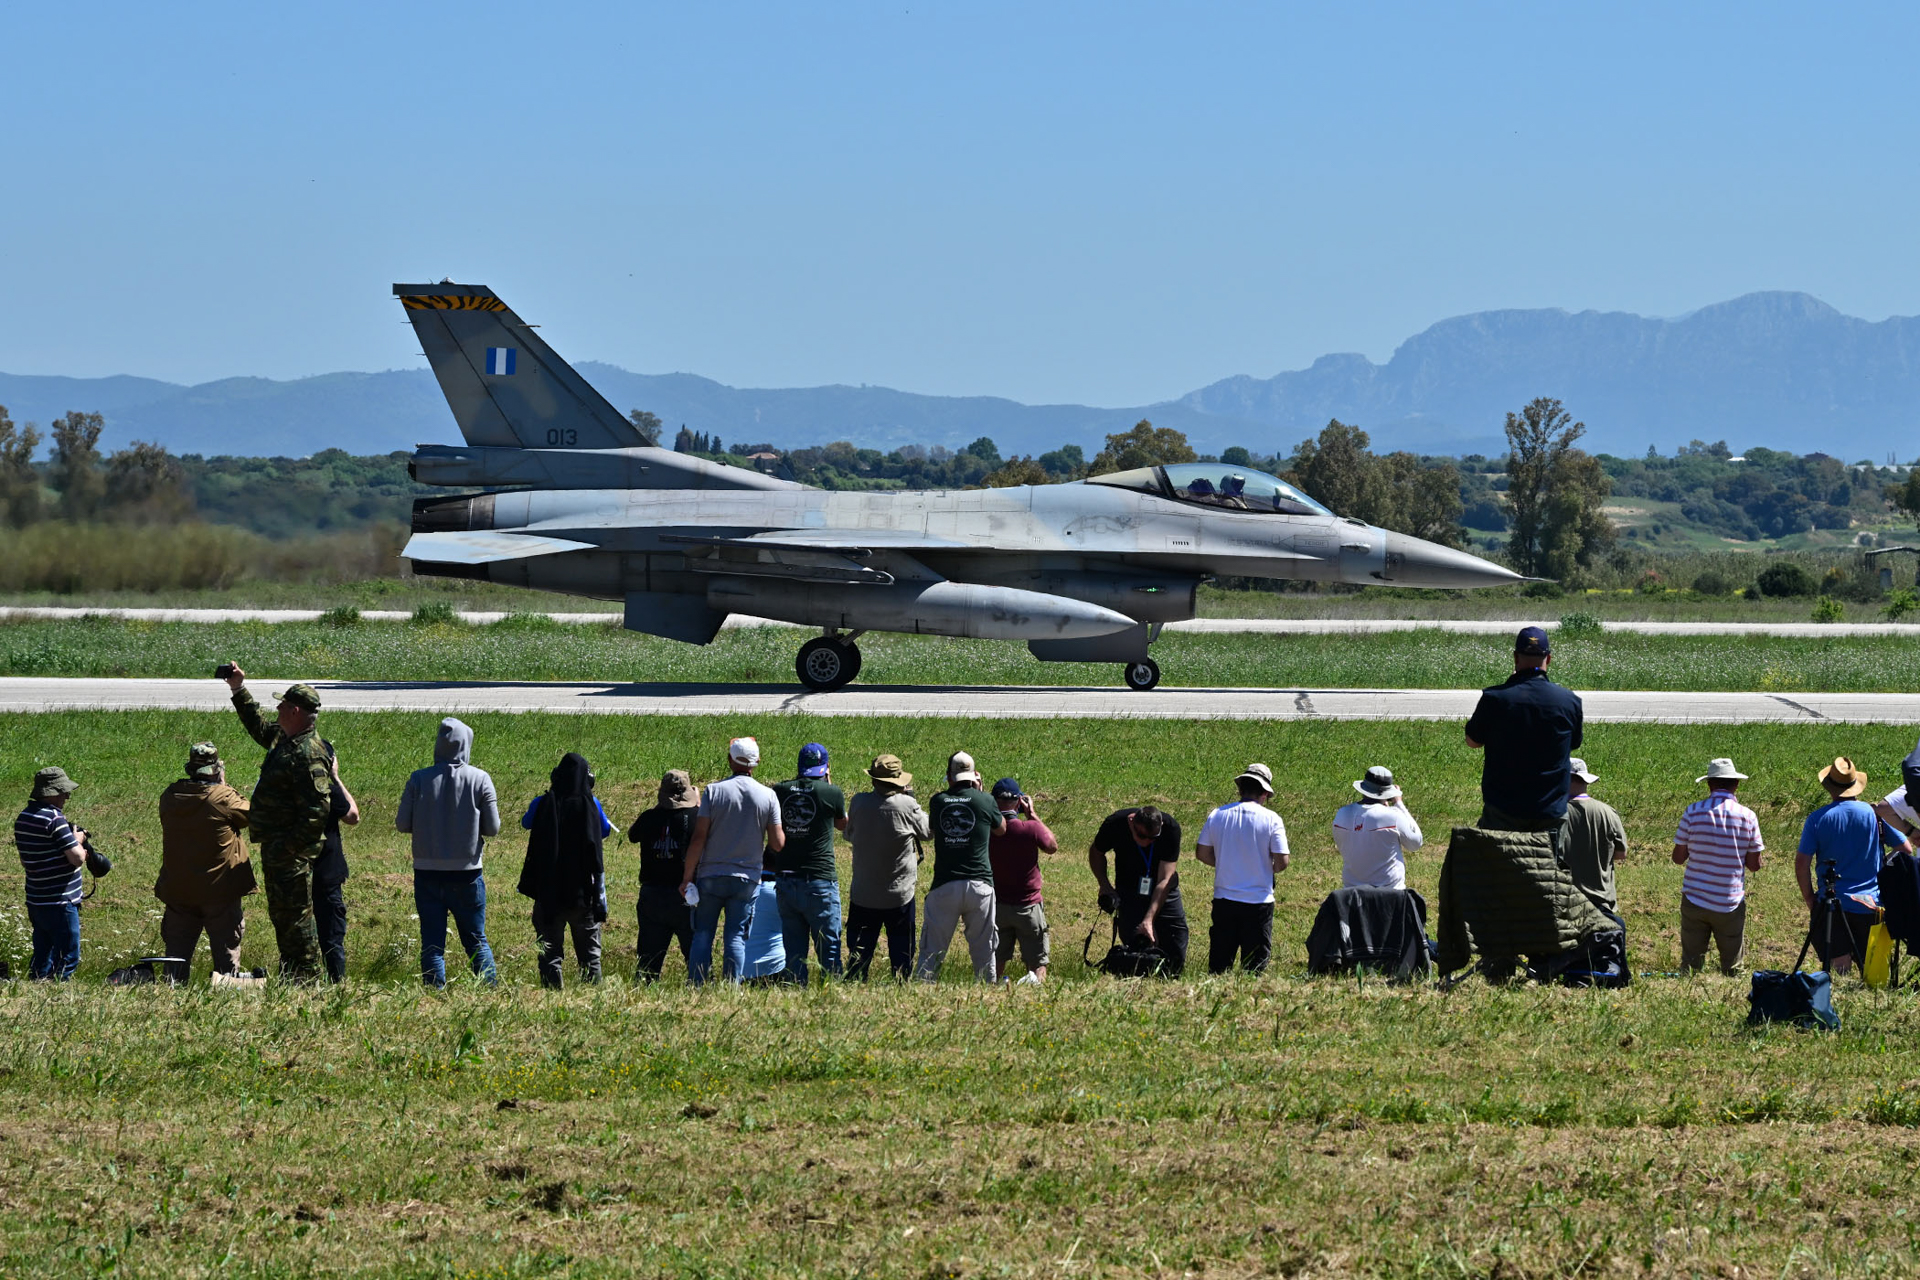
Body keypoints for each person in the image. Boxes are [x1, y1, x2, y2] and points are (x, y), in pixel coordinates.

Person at [222, 664, 331, 981]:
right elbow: (258, 726)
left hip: (290, 852)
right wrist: (238, 689)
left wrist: (289, 847)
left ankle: (306, 976)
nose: (278, 708)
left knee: (296, 916)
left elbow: (318, 810)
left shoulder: (308, 753)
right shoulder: (285, 738)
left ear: (295, 711)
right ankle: (291, 972)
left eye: (282, 704)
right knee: (283, 915)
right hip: (278, 848)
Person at [395, 717, 501, 988]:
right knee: (476, 940)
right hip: (467, 874)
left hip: (426, 871)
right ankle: (488, 990)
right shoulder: (480, 779)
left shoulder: (418, 779)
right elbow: (492, 828)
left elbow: (402, 824)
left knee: (432, 943)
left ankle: (433, 992)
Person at [1464, 627, 1584, 846]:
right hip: (1550, 808)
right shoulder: (1569, 701)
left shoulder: (1495, 698)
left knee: (1501, 865)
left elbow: (1473, 741)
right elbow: (1574, 744)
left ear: (1515, 658)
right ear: (1549, 659)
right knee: (1548, 866)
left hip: (1504, 806)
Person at [680, 737, 784, 986]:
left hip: (711, 876)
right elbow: (778, 843)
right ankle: (730, 987)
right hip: (747, 879)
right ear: (757, 762)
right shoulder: (768, 796)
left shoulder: (713, 791)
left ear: (730, 760)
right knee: (736, 937)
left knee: (703, 934)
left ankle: (697, 984)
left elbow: (699, 838)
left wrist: (687, 877)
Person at [155, 743, 255, 983]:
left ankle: (170, 994)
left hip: (179, 889)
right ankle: (226, 991)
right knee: (226, 956)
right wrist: (224, 785)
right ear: (216, 770)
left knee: (175, 957)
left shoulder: (170, 796)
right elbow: (253, 815)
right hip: (219, 890)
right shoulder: (223, 798)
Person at [1797, 757, 1900, 976]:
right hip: (1870, 903)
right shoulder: (1875, 815)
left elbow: (1802, 863)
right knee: (1871, 972)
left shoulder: (1817, 819)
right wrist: (1884, 863)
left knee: (1839, 971)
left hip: (1831, 903)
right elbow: (1906, 849)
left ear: (1830, 787)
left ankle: (1839, 988)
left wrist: (1809, 898)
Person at [517, 752, 611, 988]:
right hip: (583, 892)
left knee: (549, 953)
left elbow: (526, 823)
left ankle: (552, 993)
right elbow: (605, 830)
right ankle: (592, 995)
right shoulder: (592, 804)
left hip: (549, 890)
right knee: (590, 956)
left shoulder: (542, 802)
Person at [915, 751, 1005, 982]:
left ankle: (923, 987)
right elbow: (1001, 828)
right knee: (984, 949)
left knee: (932, 950)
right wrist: (981, 792)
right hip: (980, 884)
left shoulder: (938, 801)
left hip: (945, 884)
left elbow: (932, 828)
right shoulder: (986, 800)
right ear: (974, 776)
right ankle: (987, 989)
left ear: (949, 776)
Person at [1671, 758, 1764, 976]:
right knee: (1733, 969)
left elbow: (1678, 858)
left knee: (1691, 966)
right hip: (1729, 900)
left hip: (1695, 897)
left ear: (1709, 784)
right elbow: (1754, 866)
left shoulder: (1692, 811)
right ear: (1736, 784)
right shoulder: (1748, 816)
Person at [1197, 762, 1290, 974]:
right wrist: (1266, 868)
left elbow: (1202, 853)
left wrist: (1224, 862)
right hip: (1259, 901)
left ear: (1240, 789)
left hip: (1224, 899)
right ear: (1265, 793)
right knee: (1255, 968)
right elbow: (1282, 861)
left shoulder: (1218, 814)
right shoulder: (1272, 819)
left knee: (1219, 966)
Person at [844, 754, 930, 981]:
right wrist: (911, 799)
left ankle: (855, 984)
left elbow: (848, 835)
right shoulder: (907, 805)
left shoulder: (858, 802)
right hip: (899, 895)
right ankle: (901, 984)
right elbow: (928, 832)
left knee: (858, 957)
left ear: (873, 780)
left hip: (864, 894)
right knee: (902, 956)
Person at [770, 743, 848, 983]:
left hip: (786, 878)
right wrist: (828, 783)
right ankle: (831, 988)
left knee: (793, 949)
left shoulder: (780, 790)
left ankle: (795, 988)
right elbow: (843, 825)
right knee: (829, 946)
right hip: (820, 879)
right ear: (825, 767)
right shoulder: (832, 792)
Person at [1088, 804, 1188, 975]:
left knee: (1175, 943)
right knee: (1135, 948)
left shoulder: (1171, 828)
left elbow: (1165, 879)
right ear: (1131, 821)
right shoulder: (1116, 823)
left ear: (1160, 826)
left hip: (1164, 891)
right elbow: (1096, 851)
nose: (1147, 841)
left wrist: (1148, 919)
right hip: (1129, 890)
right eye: (1141, 835)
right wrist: (1104, 885)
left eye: (1153, 837)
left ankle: (1172, 981)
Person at [14, 767, 90, 980]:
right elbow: (77, 858)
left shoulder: (23, 817)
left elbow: (25, 860)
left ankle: (37, 986)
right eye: (63, 792)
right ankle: (58, 990)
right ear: (51, 793)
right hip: (60, 901)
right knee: (67, 955)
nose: (67, 797)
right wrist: (78, 840)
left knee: (42, 953)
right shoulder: (54, 819)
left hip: (36, 899)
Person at [629, 770, 700, 982]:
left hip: (653, 893)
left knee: (648, 963)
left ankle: (643, 992)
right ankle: (700, 990)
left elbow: (633, 835)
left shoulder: (649, 817)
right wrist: (697, 805)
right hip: (686, 894)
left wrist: (661, 808)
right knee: (697, 960)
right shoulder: (696, 818)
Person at [988, 778, 1057, 984]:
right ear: (1019, 802)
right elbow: (1052, 846)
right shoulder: (1030, 828)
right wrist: (1032, 815)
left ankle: (991, 992)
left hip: (998, 905)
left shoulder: (987, 831)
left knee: (995, 961)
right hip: (1028, 906)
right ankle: (1036, 993)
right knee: (1037, 962)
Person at [1330, 766, 1423, 891]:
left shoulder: (1341, 814)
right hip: (1391, 893)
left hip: (1352, 892)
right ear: (1387, 793)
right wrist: (1399, 804)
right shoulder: (1393, 816)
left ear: (1363, 789)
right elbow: (1416, 843)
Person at [313, 741, 360, 983]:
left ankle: (295, 980)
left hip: (294, 871)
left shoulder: (287, 788)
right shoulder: (328, 791)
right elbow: (353, 816)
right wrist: (336, 777)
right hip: (327, 872)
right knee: (331, 934)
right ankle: (336, 982)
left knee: (296, 934)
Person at [1563, 758, 1627, 917]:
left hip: (1566, 901)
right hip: (1602, 901)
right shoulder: (1608, 812)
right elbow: (1621, 854)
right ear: (1586, 781)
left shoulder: (1556, 814)